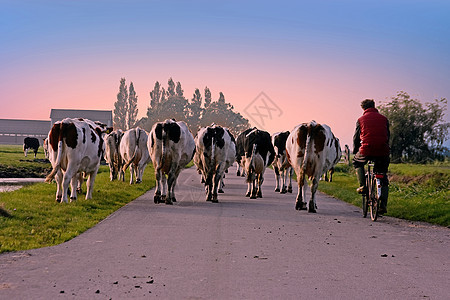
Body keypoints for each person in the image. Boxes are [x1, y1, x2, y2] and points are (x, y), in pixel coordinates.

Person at [353, 99, 390, 214]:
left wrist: (355, 150)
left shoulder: (360, 120)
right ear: (374, 106)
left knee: (357, 162)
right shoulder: (384, 119)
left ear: (363, 108)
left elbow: (356, 138)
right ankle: (383, 205)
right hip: (383, 151)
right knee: (383, 177)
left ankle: (363, 186)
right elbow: (387, 135)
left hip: (366, 149)